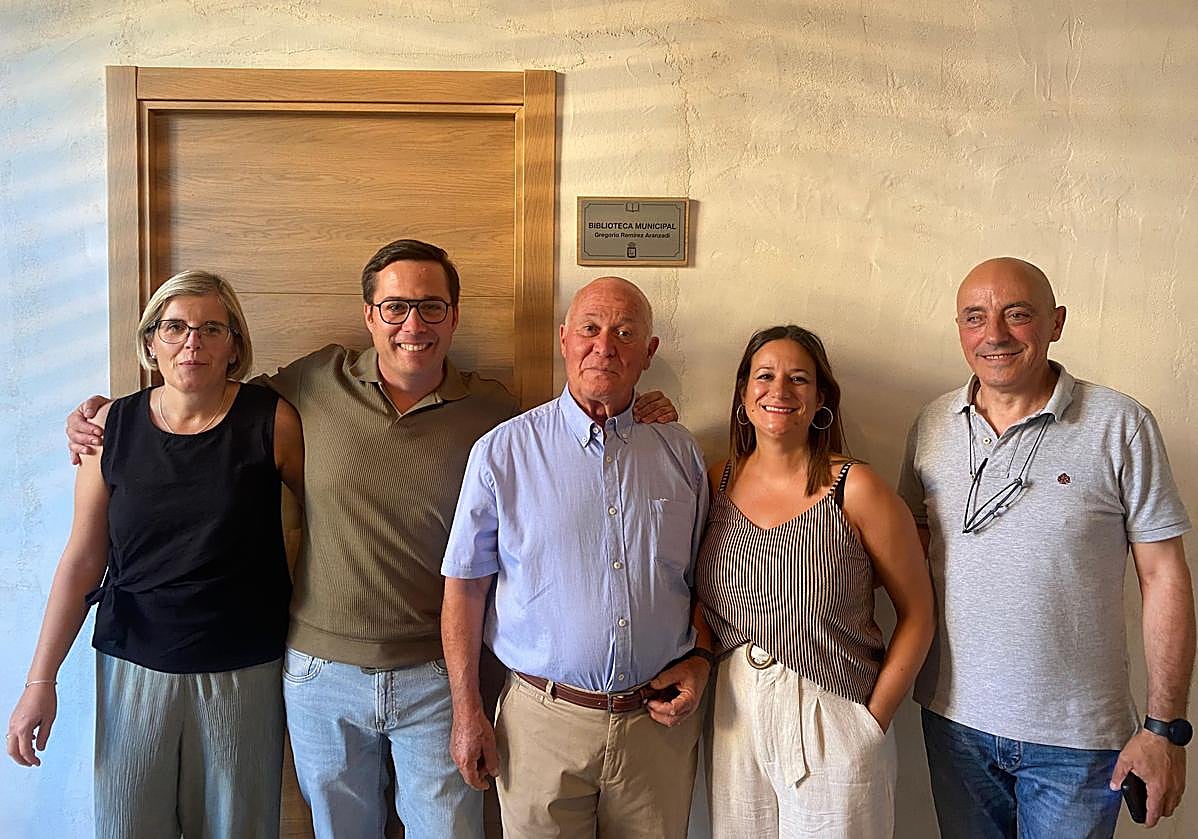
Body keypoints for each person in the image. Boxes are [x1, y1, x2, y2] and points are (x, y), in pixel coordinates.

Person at [64, 242, 676, 839]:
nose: (413, 324)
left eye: (431, 307)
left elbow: (566, 431)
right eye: (395, 307)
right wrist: (108, 416)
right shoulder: (312, 382)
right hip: (318, 673)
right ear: (370, 316)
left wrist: (639, 412)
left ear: (453, 316)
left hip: (438, 676)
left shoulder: (491, 410)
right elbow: (202, 395)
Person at [898, 257, 1194, 837]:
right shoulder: (931, 425)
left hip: (1078, 743)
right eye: (975, 318)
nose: (995, 335)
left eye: (1018, 315)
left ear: (1056, 322)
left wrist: (1164, 729)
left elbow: (1165, 577)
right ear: (959, 329)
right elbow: (910, 551)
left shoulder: (1120, 424)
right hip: (953, 724)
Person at [7, 270, 304, 838]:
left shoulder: (272, 421)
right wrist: (39, 681)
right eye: (174, 328)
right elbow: (81, 559)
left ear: (234, 345)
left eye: (211, 328)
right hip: (132, 661)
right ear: (150, 344)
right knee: (127, 826)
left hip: (243, 666)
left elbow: (325, 526)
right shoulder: (107, 428)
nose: (191, 342)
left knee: (237, 828)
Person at [441, 276, 712, 839]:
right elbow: (465, 588)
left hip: (657, 728)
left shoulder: (680, 453)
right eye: (590, 328)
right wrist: (466, 711)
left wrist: (701, 660)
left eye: (625, 332)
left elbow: (707, 580)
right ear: (564, 339)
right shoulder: (503, 453)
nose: (604, 345)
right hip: (542, 726)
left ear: (649, 353)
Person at [695, 324, 934, 837]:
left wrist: (873, 722)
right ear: (743, 394)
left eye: (799, 379)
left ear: (821, 397)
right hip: (736, 710)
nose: (779, 391)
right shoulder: (715, 481)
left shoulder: (856, 488)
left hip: (834, 710)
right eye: (765, 375)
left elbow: (918, 613)